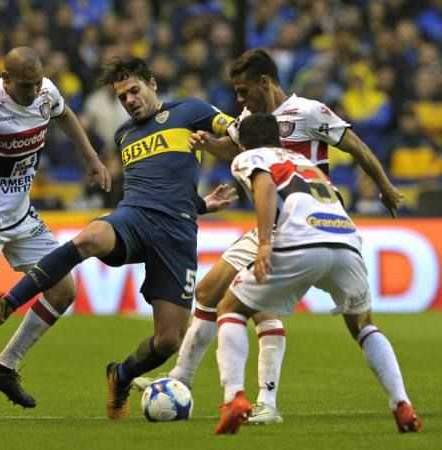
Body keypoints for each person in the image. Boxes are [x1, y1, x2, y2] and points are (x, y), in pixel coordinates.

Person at [133, 48, 404, 425]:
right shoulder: (250, 119)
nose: (240, 102)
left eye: (244, 92)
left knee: (250, 306)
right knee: (211, 291)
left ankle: (263, 402)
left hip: (298, 223)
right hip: (278, 223)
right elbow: (235, 142)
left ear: (265, 82)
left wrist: (385, 187)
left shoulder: (308, 112)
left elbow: (354, 146)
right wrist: (209, 145)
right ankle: (182, 380)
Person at [0, 57, 238, 420]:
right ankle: (4, 305)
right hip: (135, 218)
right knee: (89, 237)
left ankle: (121, 375)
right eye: (122, 96)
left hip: (177, 234)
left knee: (169, 340)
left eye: (134, 90)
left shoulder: (192, 110)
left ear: (152, 83)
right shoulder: (124, 134)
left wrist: (205, 196)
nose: (129, 100)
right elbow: (157, 188)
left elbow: (238, 136)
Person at [0, 47, 111, 421]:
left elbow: (66, 115)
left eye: (37, 83)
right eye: (24, 86)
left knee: (63, 290)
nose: (33, 92)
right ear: (6, 80)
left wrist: (91, 158)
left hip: (22, 215)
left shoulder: (45, 92)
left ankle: (4, 367)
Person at [214, 112, 422, 435]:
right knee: (364, 326)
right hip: (345, 240)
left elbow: (265, 185)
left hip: (300, 240)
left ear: (245, 141)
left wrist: (265, 244)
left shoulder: (249, 156)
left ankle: (234, 399)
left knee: (229, 308)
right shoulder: (300, 159)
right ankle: (402, 403)